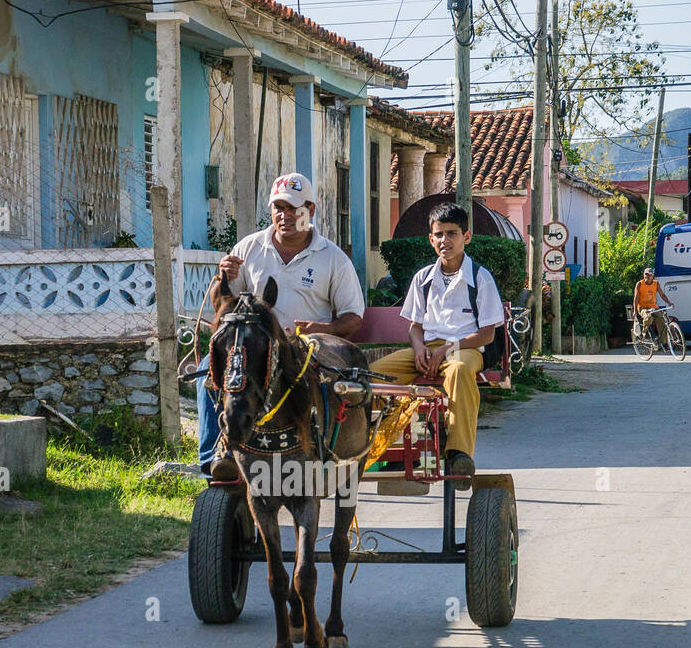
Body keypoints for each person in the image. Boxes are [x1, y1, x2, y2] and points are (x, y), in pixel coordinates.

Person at [199, 172, 365, 481]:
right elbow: (223, 306)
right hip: (256, 348)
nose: (284, 216)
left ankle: (320, 450)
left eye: (293, 208)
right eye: (278, 207)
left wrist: (322, 328)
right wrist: (222, 277)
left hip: (306, 349)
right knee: (207, 372)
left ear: (310, 211)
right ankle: (217, 455)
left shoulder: (333, 258)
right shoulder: (248, 248)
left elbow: (353, 317)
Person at [368, 202, 504, 489]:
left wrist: (447, 349)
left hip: (466, 349)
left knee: (458, 372)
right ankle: (371, 444)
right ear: (431, 239)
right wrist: (419, 349)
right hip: (427, 349)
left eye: (452, 233)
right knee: (373, 377)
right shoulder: (423, 278)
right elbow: (415, 326)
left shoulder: (480, 277)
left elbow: (487, 334)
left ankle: (458, 453)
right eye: (439, 234)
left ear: (466, 236)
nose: (445, 240)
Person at [632, 267, 673, 345]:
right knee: (648, 317)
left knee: (662, 319)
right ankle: (643, 335)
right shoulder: (639, 284)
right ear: (643, 275)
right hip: (642, 308)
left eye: (649, 275)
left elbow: (662, 295)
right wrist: (635, 311)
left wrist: (669, 303)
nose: (647, 276)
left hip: (653, 307)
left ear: (652, 276)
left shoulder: (656, 283)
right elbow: (636, 298)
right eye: (646, 274)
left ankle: (662, 342)